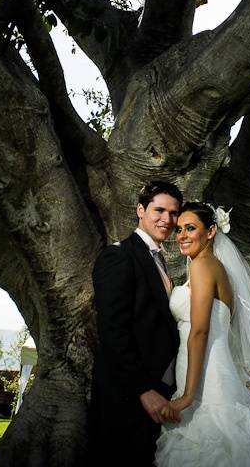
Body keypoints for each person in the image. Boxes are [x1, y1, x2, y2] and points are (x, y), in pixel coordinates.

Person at [155, 202, 250, 466]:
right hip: (210, 371)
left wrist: (187, 396)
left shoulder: (202, 266)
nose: (182, 236)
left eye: (191, 228)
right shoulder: (212, 267)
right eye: (178, 230)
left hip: (204, 381)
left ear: (211, 231)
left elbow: (199, 331)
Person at [89, 181, 184, 466]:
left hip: (160, 395)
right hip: (126, 399)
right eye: (159, 210)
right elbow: (113, 331)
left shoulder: (160, 259)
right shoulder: (118, 256)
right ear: (140, 210)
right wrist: (143, 390)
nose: (166, 220)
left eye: (173, 213)